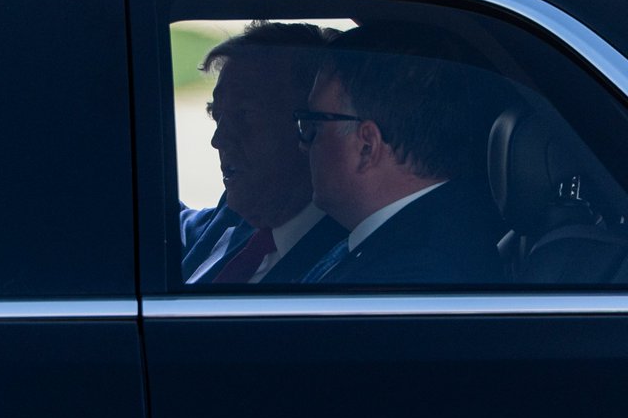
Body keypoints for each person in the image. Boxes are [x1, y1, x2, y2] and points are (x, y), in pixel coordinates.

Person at [297, 22, 507, 284]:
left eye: (313, 125)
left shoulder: (411, 274)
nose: (303, 144)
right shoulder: (424, 236)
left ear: (367, 146)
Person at [180, 21, 346, 284]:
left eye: (244, 115)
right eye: (217, 115)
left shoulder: (346, 262)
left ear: (311, 124)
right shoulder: (241, 213)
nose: (218, 139)